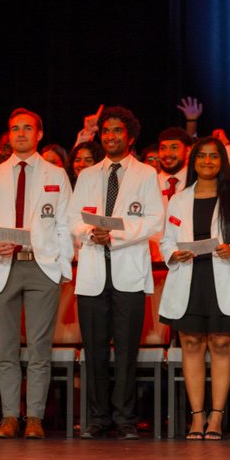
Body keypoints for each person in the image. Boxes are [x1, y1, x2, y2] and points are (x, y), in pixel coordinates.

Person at [0, 108, 72, 440]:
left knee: (39, 348)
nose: (20, 134)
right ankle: (9, 416)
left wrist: (62, 268)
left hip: (41, 266)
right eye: (15, 128)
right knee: (6, 348)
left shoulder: (55, 174)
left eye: (27, 128)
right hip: (5, 265)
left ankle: (34, 416)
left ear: (39, 133)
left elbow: (64, 224)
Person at [69, 106, 162, 439]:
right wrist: (87, 232)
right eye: (105, 131)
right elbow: (72, 218)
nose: (110, 136)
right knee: (94, 348)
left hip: (128, 271)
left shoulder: (146, 175)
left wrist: (116, 234)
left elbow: (154, 221)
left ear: (131, 136)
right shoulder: (89, 174)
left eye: (117, 131)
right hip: (94, 268)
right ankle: (97, 417)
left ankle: (125, 418)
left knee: (126, 349)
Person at [159, 137, 230, 440]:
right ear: (194, 161)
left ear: (222, 162)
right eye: (202, 156)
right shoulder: (179, 198)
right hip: (190, 274)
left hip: (221, 274)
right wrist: (173, 253)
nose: (208, 162)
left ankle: (217, 416)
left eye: (214, 157)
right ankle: (197, 416)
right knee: (192, 344)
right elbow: (166, 240)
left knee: (222, 344)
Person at [156, 128, 192, 202]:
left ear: (188, 151)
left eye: (174, 148)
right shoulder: (151, 182)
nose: (167, 154)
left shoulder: (197, 181)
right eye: (163, 148)